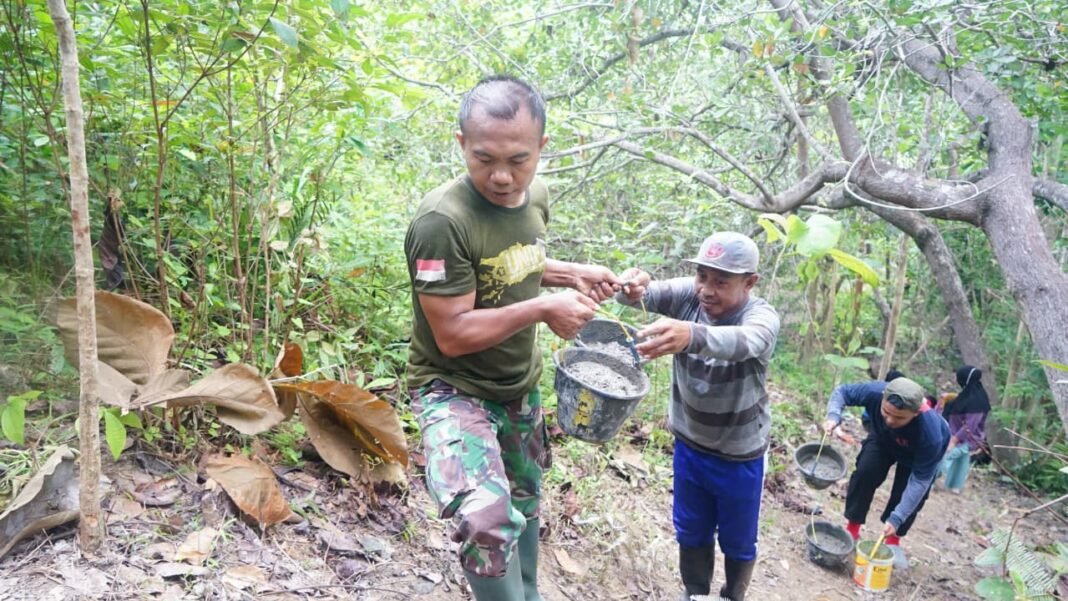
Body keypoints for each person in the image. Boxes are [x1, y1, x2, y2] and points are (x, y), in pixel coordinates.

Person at [404, 75, 622, 601]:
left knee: (525, 501)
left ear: (542, 147)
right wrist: (545, 308)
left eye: (519, 160)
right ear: (461, 144)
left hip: (517, 386)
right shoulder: (442, 222)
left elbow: (513, 264)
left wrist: (571, 274)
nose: (502, 177)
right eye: (484, 159)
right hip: (453, 387)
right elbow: (452, 334)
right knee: (485, 519)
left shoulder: (535, 195)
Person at [616, 232, 780, 601]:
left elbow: (746, 341)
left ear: (749, 282)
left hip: (740, 455)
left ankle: (733, 595)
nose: (707, 289)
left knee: (739, 540)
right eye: (702, 276)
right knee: (691, 530)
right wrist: (631, 285)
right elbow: (634, 295)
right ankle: (695, 593)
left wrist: (690, 334)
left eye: (721, 281)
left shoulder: (761, 316)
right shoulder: (689, 297)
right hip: (690, 445)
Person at [822, 376, 949, 569]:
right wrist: (833, 416)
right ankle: (852, 530)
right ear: (882, 399)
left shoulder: (931, 434)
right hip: (883, 439)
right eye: (886, 412)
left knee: (905, 492)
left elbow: (920, 482)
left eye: (899, 417)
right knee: (865, 472)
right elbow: (842, 392)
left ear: (915, 413)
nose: (890, 420)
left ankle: (893, 542)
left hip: (915, 454)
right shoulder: (875, 392)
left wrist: (896, 518)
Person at [938, 365, 991, 494]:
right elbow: (960, 403)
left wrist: (954, 440)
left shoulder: (976, 401)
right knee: (962, 461)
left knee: (944, 457)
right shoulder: (970, 394)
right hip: (959, 436)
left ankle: (930, 477)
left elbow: (970, 425)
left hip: (966, 438)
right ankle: (954, 485)